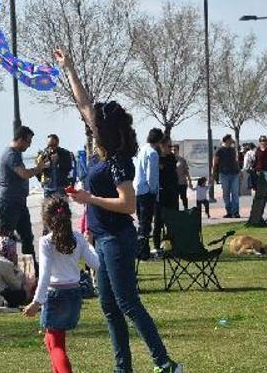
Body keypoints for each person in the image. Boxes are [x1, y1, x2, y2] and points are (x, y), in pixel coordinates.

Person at [55, 49, 183, 373]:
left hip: (116, 237)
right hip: (102, 237)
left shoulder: (118, 161)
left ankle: (165, 363)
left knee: (127, 303)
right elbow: (84, 103)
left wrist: (88, 199)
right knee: (109, 307)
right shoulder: (102, 154)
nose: (89, 119)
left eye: (96, 120)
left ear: (105, 130)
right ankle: (122, 369)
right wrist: (69, 67)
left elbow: (128, 205)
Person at [23, 197, 100, 373]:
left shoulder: (46, 242)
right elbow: (96, 264)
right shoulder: (78, 239)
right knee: (53, 339)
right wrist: (90, 244)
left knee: (56, 344)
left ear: (46, 220)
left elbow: (45, 274)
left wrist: (37, 302)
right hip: (74, 293)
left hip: (55, 294)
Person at [0, 126, 48, 273]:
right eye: (28, 141)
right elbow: (24, 174)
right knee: (6, 240)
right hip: (9, 203)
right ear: (20, 139)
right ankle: (1, 270)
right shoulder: (11, 154)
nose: (29, 145)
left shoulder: (16, 154)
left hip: (19, 203)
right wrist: (40, 168)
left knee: (27, 236)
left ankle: (31, 270)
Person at [134, 128, 163, 261]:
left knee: (141, 221)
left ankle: (140, 249)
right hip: (147, 191)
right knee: (146, 223)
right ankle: (143, 251)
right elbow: (151, 175)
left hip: (138, 190)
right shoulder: (153, 153)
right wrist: (154, 191)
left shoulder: (142, 150)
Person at [153, 137, 180, 256]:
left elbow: (173, 173)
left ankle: (172, 246)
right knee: (158, 221)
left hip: (172, 193)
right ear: (162, 146)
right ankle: (157, 246)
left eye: (172, 146)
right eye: (169, 146)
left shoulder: (171, 158)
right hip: (161, 194)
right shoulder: (156, 158)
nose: (171, 149)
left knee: (172, 221)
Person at [36, 134, 74, 198]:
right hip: (48, 187)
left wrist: (58, 161)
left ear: (57, 143)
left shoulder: (65, 153)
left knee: (62, 206)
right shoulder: (43, 155)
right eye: (49, 146)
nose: (51, 148)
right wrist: (42, 182)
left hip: (61, 186)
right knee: (48, 207)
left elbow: (69, 168)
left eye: (53, 145)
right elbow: (37, 170)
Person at [213, 134, 241, 218]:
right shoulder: (219, 150)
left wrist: (239, 171)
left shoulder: (233, 150)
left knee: (235, 193)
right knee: (226, 194)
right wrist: (214, 174)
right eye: (230, 139)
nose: (231, 141)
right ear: (226, 140)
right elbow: (215, 163)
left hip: (234, 174)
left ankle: (235, 212)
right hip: (224, 174)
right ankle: (229, 211)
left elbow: (236, 161)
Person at [172, 144, 192, 210]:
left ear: (178, 150)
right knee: (175, 198)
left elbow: (186, 171)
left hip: (182, 182)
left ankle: (186, 208)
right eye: (172, 150)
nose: (173, 151)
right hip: (174, 183)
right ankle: (176, 211)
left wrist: (190, 181)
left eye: (175, 150)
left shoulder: (182, 160)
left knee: (183, 197)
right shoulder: (169, 160)